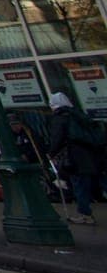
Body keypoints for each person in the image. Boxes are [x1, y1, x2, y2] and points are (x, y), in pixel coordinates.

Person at [47, 91, 104, 225]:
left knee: (80, 185)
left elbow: (57, 138)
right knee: (100, 180)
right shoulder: (78, 115)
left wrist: (51, 153)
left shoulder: (60, 118)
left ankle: (85, 214)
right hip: (93, 155)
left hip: (75, 157)